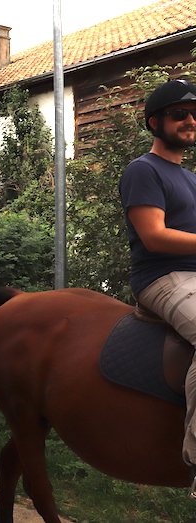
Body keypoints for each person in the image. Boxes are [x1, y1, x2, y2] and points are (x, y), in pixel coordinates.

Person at [119, 78, 196, 496]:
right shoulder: (142, 170)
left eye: (195, 115)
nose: (190, 121)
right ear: (154, 122)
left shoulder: (192, 178)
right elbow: (154, 236)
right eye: (179, 114)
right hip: (163, 279)